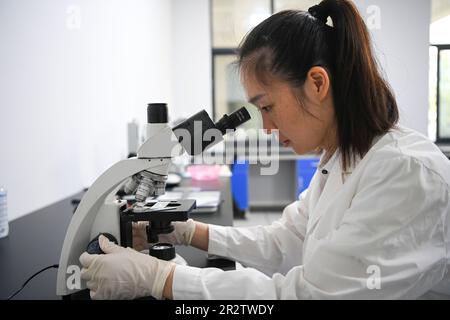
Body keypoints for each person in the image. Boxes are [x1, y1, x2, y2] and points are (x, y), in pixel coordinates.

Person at [79, 0, 450, 299]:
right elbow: (283, 241)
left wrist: (161, 278)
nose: (268, 128)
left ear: (317, 83)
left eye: (267, 106)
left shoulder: (406, 172)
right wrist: (187, 232)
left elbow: (309, 296)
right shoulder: (339, 160)